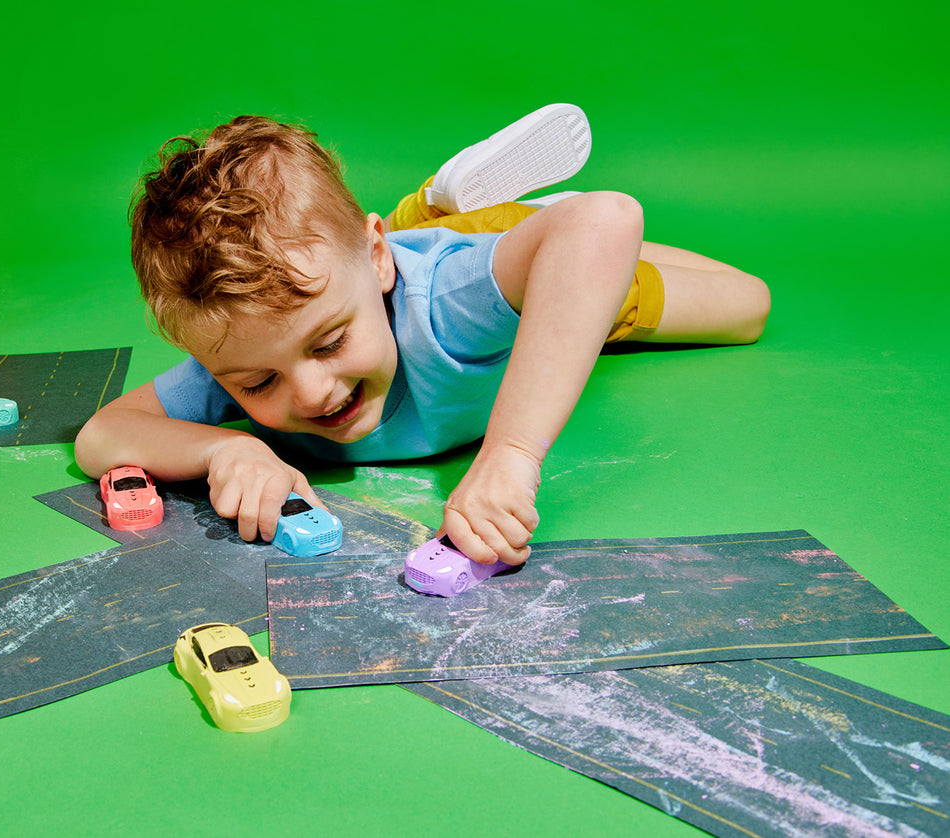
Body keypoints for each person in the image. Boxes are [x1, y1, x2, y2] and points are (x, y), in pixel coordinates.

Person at [74, 105, 771, 566]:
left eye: (326, 342)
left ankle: (482, 219)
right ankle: (436, 214)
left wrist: (512, 453)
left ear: (377, 263)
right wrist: (224, 450)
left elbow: (610, 218)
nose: (312, 391)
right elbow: (101, 434)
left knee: (743, 305)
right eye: (260, 383)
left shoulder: (450, 305)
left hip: (512, 279)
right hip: (402, 260)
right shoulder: (239, 345)